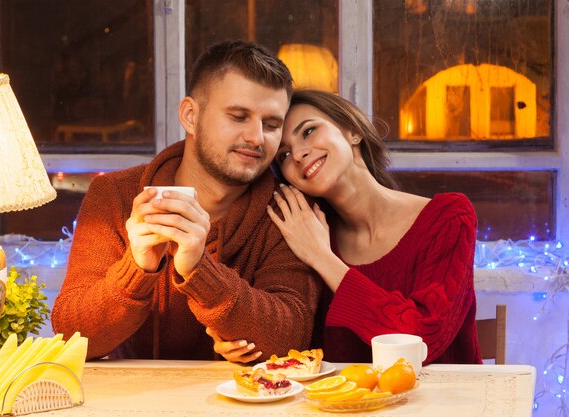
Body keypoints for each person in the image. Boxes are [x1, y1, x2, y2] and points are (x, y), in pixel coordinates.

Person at [51, 41, 322, 360]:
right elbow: (72, 337)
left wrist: (199, 269)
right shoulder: (115, 194)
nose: (256, 137)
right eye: (238, 116)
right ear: (191, 116)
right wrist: (138, 267)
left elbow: (289, 342)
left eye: (272, 124)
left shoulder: (287, 210)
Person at [209, 89, 482, 365]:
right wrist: (239, 336)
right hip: (341, 404)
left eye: (308, 131)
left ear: (353, 130)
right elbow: (291, 332)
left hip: (438, 403)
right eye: (284, 155)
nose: (299, 155)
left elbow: (421, 342)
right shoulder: (303, 230)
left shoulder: (448, 218)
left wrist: (322, 257)